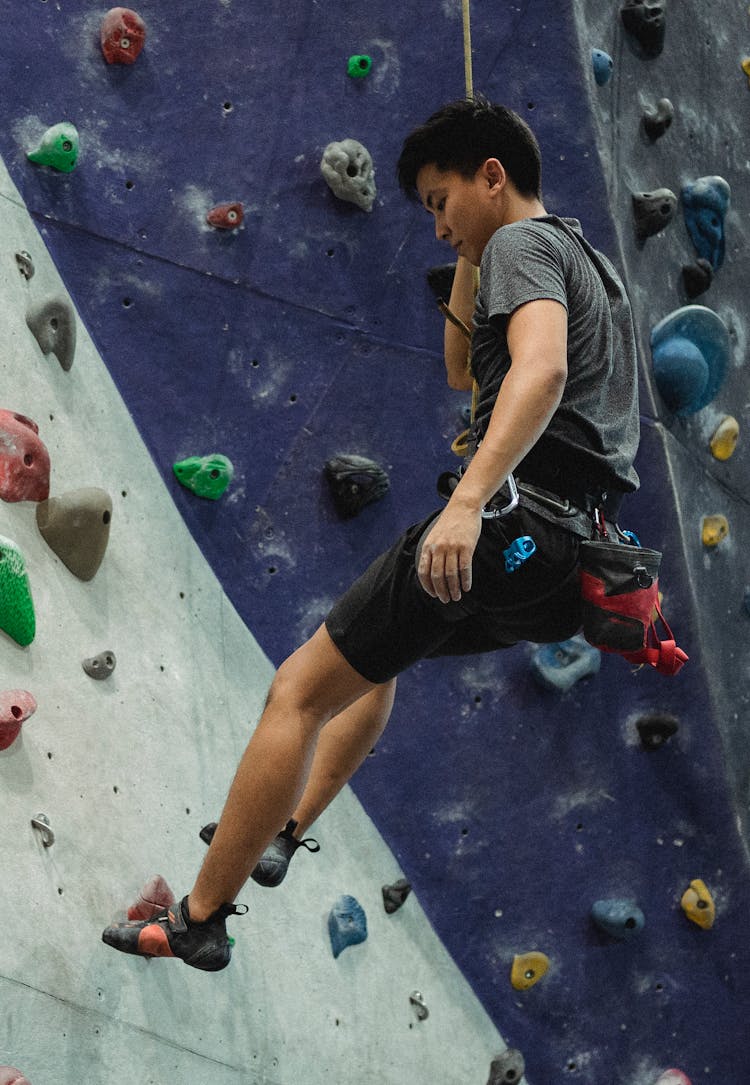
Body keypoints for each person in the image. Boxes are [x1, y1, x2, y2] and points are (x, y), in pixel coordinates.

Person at [102, 97, 640, 970]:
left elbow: (537, 372)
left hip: (513, 517)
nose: (436, 227)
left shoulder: (522, 245)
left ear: (491, 176)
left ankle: (201, 917)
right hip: (568, 567)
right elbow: (465, 366)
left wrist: (468, 501)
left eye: (439, 200)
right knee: (382, 655)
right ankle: (285, 827)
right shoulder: (584, 265)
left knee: (299, 691)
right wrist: (469, 249)